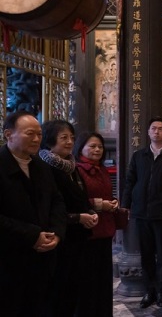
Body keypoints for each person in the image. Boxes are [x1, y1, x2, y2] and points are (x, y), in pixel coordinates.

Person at [0, 111, 66, 317]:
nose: (37, 139)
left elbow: (56, 201)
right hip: (9, 261)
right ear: (8, 135)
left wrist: (56, 232)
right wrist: (31, 235)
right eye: (30, 134)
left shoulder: (40, 166)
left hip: (43, 260)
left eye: (39, 134)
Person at [39, 120, 98, 316]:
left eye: (72, 137)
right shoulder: (45, 167)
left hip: (77, 238)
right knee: (58, 293)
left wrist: (89, 212)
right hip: (59, 239)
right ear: (49, 140)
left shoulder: (71, 166)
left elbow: (79, 198)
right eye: (63, 137)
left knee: (73, 290)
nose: (70, 141)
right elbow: (48, 209)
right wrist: (77, 218)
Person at [121, 117, 162, 309]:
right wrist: (126, 205)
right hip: (142, 212)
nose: (156, 132)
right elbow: (130, 181)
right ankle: (149, 291)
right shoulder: (139, 155)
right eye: (153, 128)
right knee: (146, 255)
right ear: (148, 132)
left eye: (160, 129)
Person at [73, 132, 119, 317]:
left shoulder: (102, 169)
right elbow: (75, 201)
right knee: (88, 280)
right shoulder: (76, 170)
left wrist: (113, 203)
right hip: (87, 231)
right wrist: (101, 204)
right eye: (92, 146)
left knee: (103, 279)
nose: (97, 150)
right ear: (81, 148)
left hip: (105, 230)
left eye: (99, 146)